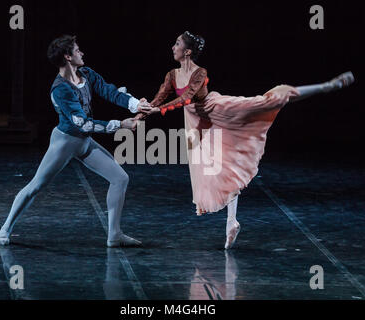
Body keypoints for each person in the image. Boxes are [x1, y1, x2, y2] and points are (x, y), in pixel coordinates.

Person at [137, 31, 354, 249]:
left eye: (176, 44)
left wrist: (157, 110)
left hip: (216, 110)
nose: (172, 47)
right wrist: (140, 114)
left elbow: (186, 98)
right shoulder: (172, 75)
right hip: (196, 121)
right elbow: (160, 97)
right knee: (217, 169)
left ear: (188, 51)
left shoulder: (199, 72)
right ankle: (232, 222)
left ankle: (327, 86)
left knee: (268, 101)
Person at [0, 35, 153, 247]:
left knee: (120, 178)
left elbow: (109, 91)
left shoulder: (86, 74)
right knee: (36, 186)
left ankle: (114, 234)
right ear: (68, 56)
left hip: (84, 142)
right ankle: (5, 228)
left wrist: (135, 105)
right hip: (65, 142)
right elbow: (83, 124)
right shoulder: (60, 89)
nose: (82, 53)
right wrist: (121, 125)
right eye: (78, 50)